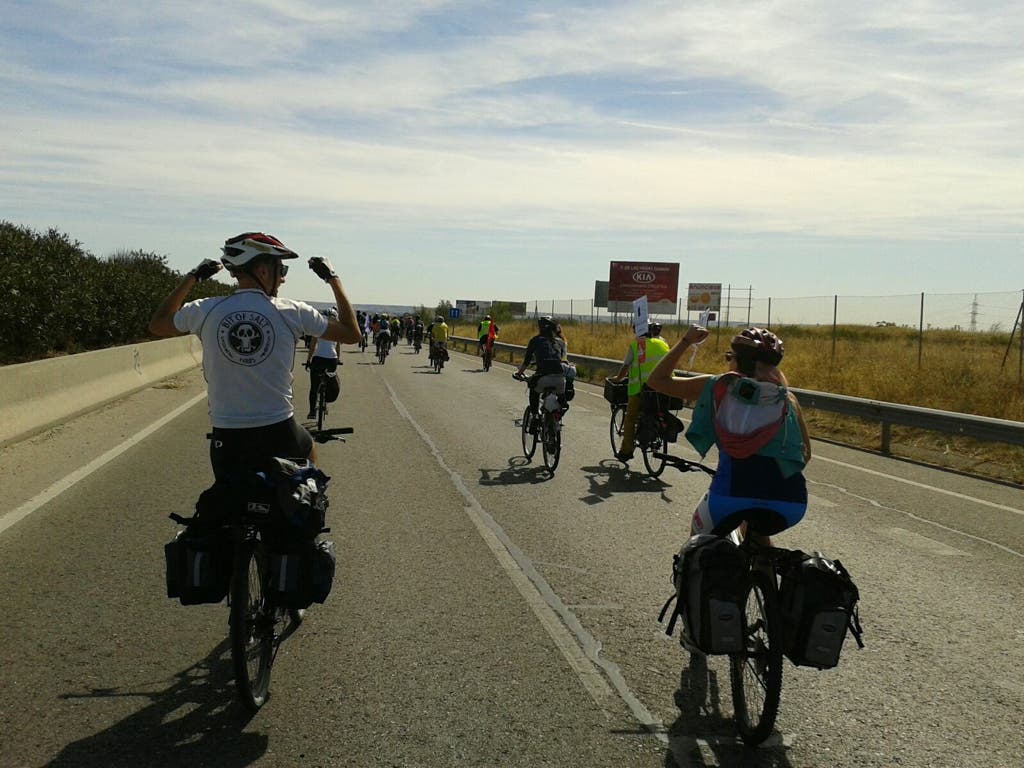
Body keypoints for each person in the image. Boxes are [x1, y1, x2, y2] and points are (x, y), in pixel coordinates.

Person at [148, 233, 359, 481]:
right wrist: (332, 278)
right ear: (262, 270)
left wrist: (193, 277)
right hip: (279, 430)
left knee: (227, 499)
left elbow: (158, 325)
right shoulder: (292, 311)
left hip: (226, 434)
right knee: (308, 456)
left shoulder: (205, 310)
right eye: (281, 269)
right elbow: (351, 333)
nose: (282, 279)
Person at [647, 326, 812, 543]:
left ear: (739, 361)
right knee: (760, 538)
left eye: (729, 357)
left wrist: (686, 341)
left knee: (697, 547)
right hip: (791, 501)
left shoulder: (718, 386)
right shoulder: (787, 399)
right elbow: (805, 454)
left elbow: (657, 380)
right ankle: (765, 571)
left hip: (729, 495)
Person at [605, 322, 670, 462]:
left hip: (641, 390)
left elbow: (625, 367)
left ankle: (626, 451)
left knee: (630, 418)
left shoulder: (635, 346)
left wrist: (617, 379)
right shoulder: (663, 343)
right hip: (663, 388)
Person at [515, 316, 566, 422]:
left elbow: (526, 362)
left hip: (543, 378)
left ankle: (535, 416)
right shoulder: (558, 342)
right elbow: (560, 359)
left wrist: (519, 373)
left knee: (534, 391)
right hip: (560, 380)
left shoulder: (535, 340)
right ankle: (557, 418)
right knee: (562, 400)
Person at [304, 307, 342, 419]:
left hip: (318, 358)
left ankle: (312, 412)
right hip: (332, 359)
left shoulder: (318, 329)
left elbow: (312, 346)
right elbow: (338, 347)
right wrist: (338, 359)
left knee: (314, 387)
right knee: (330, 381)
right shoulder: (337, 330)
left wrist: (308, 360)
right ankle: (325, 401)